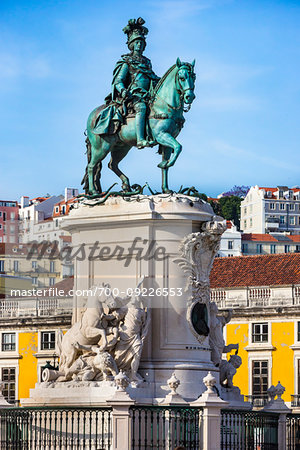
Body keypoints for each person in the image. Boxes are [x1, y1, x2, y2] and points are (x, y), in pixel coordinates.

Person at [111, 17, 160, 148]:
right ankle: (140, 139)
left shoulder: (147, 62)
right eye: (137, 42)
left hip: (147, 94)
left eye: (141, 43)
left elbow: (152, 77)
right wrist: (123, 90)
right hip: (134, 95)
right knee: (142, 108)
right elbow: (118, 81)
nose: (139, 45)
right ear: (132, 44)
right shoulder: (127, 61)